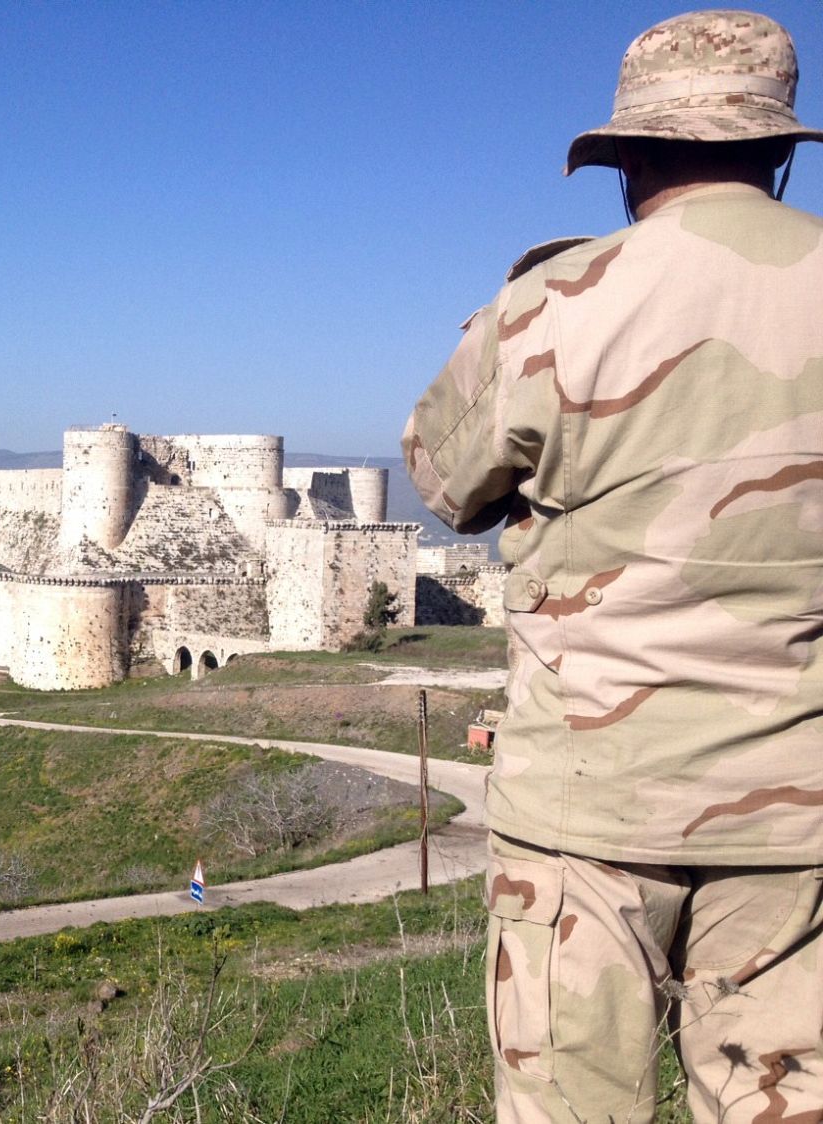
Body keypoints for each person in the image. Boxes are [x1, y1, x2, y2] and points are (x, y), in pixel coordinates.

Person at [402, 10, 823, 1123]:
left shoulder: (552, 306)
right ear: (776, 153)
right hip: (799, 825)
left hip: (585, 812)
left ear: (627, 157)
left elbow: (446, 489)